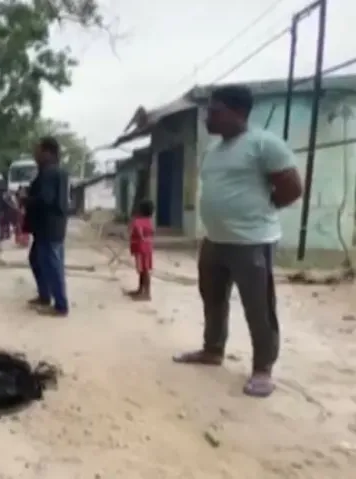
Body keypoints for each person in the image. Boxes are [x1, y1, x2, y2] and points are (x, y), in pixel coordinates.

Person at [172, 85, 302, 398]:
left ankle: (262, 369)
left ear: (236, 112)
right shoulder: (213, 151)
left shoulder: (264, 144)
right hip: (215, 240)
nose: (207, 118)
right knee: (212, 299)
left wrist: (263, 209)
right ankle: (213, 350)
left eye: (213, 112)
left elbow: (292, 187)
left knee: (258, 307)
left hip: (252, 242)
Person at [26, 137, 70, 317]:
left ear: (47, 152)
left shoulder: (49, 173)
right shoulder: (59, 171)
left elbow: (46, 199)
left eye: (38, 151)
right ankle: (45, 295)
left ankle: (61, 305)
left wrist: (26, 199)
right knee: (36, 259)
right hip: (55, 225)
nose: (35, 155)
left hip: (48, 226)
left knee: (52, 264)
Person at [127, 199, 154, 301]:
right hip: (147, 248)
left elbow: (136, 232)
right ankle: (141, 290)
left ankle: (146, 294)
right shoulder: (148, 221)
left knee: (144, 271)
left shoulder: (138, 221)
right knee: (144, 270)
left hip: (141, 248)